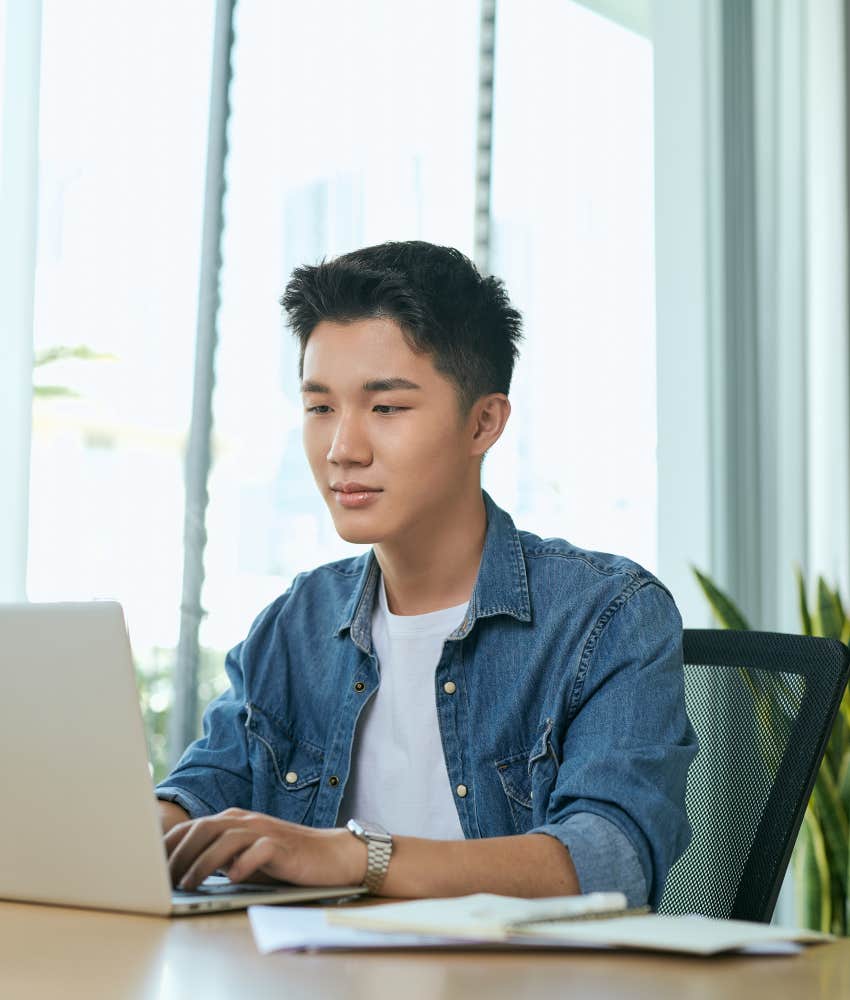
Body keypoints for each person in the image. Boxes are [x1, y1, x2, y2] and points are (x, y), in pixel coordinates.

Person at [157, 241, 697, 907]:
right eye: (321, 406)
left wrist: (358, 858)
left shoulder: (609, 615)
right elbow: (205, 789)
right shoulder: (297, 619)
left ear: (483, 423)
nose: (341, 449)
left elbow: (611, 857)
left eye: (386, 408)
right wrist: (134, 833)